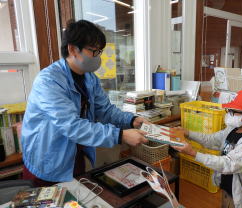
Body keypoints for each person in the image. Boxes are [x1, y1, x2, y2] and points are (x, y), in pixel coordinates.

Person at [21, 20, 148, 187]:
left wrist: (132, 120)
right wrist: (120, 135)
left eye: (100, 51)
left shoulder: (90, 78)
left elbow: (106, 111)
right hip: (47, 157)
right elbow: (71, 125)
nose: (98, 57)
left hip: (74, 153)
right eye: (93, 51)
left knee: (75, 204)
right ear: (72, 49)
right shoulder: (49, 81)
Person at [171, 89, 242, 208]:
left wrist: (193, 153)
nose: (229, 114)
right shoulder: (233, 129)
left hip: (240, 194)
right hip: (227, 188)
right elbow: (212, 140)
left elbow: (227, 164)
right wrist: (188, 133)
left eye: (233, 111)